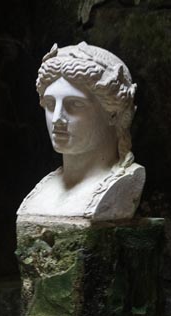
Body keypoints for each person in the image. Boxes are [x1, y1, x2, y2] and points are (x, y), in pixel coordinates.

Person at [17, 42, 145, 221]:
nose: (57, 119)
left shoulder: (120, 186)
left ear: (114, 113)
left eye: (74, 104)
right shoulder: (43, 193)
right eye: (51, 105)